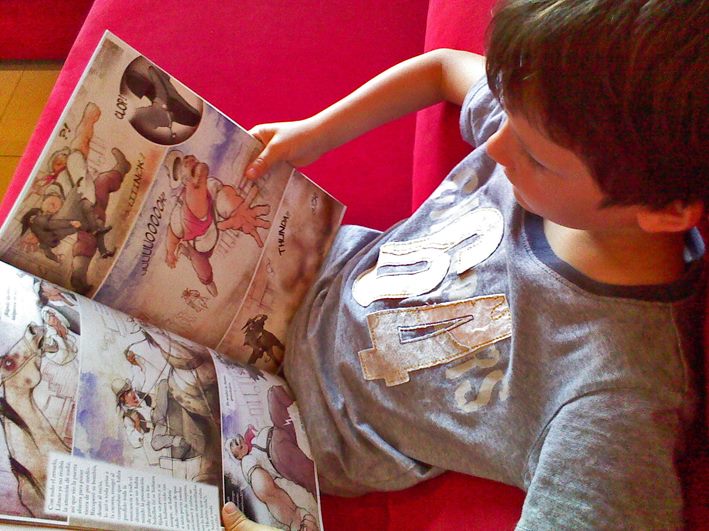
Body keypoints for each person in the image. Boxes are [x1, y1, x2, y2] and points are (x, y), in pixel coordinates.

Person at [222, 0, 707, 529]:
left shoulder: (618, 397)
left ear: (667, 212)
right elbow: (443, 69)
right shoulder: (553, 119)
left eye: (535, 157)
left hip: (299, 430)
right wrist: (316, 132)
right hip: (308, 271)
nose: (495, 145)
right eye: (505, 110)